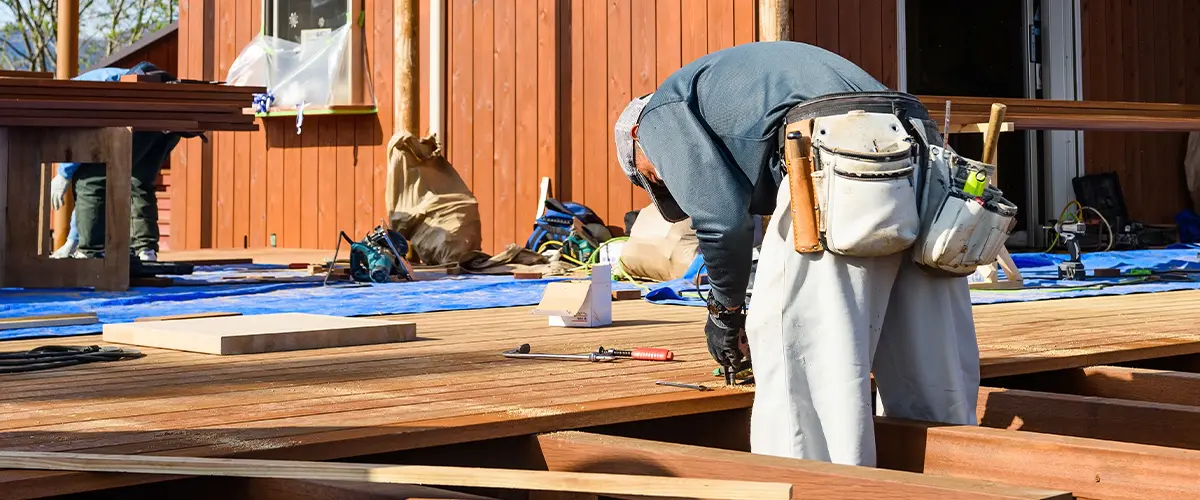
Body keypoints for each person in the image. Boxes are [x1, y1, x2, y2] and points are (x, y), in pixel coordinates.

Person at [613, 41, 981, 467]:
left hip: (839, 156)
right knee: (928, 361)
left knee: (803, 357)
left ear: (637, 139)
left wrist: (725, 311)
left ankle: (815, 486)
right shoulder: (734, 87)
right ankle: (958, 477)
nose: (664, 183)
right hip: (920, 149)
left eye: (652, 176)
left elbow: (722, 223)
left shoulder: (659, 113)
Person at [49, 62, 195, 262]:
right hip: (170, 120)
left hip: (140, 114)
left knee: (90, 179)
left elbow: (80, 146)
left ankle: (90, 255)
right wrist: (71, 241)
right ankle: (145, 251)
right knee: (138, 180)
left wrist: (63, 174)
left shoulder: (67, 98)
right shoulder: (80, 87)